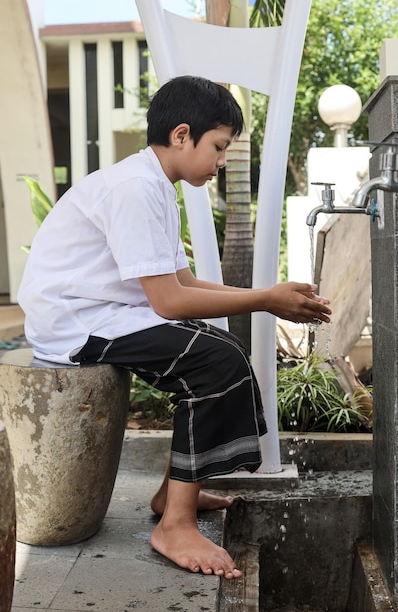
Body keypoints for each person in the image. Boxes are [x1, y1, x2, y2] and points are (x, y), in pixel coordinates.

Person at [18, 75, 331, 580]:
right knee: (214, 360)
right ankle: (175, 525)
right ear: (182, 135)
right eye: (219, 147)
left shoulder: (156, 185)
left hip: (109, 313)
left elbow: (183, 281)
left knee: (216, 346)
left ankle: (172, 493)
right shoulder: (135, 187)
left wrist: (268, 298)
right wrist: (265, 300)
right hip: (76, 321)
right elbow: (169, 302)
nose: (222, 161)